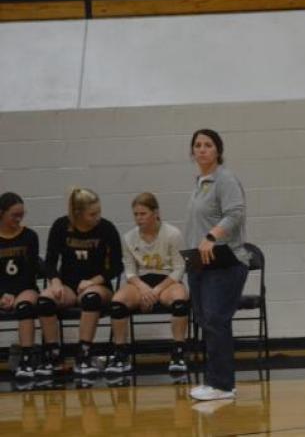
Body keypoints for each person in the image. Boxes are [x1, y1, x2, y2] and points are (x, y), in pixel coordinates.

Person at [185, 129, 249, 402]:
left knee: (216, 320)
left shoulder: (225, 179)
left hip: (225, 262)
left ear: (218, 150)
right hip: (201, 263)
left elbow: (235, 213)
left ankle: (222, 385)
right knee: (207, 321)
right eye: (197, 145)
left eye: (208, 145)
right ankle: (215, 381)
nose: (202, 150)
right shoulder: (201, 181)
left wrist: (212, 236)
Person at [36, 187, 123, 376]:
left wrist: (94, 281)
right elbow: (50, 261)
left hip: (99, 286)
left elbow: (117, 266)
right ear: (78, 214)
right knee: (44, 300)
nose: (97, 217)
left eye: (99, 212)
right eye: (92, 214)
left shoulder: (106, 229)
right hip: (67, 285)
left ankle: (84, 354)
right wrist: (55, 281)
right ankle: (53, 354)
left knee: (90, 298)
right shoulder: (61, 226)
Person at [105, 192, 190, 374]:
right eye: (135, 214)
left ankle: (178, 352)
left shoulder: (173, 234)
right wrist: (143, 289)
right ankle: (121, 353)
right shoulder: (128, 237)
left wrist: (157, 290)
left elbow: (179, 267)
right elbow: (129, 270)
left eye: (143, 214)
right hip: (141, 281)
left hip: (167, 280)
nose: (138, 218)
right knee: (117, 302)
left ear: (155, 213)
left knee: (180, 301)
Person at [0, 193, 45, 378]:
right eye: (14, 215)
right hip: (2, 291)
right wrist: (2, 294)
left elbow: (30, 272)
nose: (18, 219)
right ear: (1, 214)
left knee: (24, 306)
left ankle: (26, 357)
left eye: (21, 214)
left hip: (25, 288)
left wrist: (14, 294)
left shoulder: (29, 236)